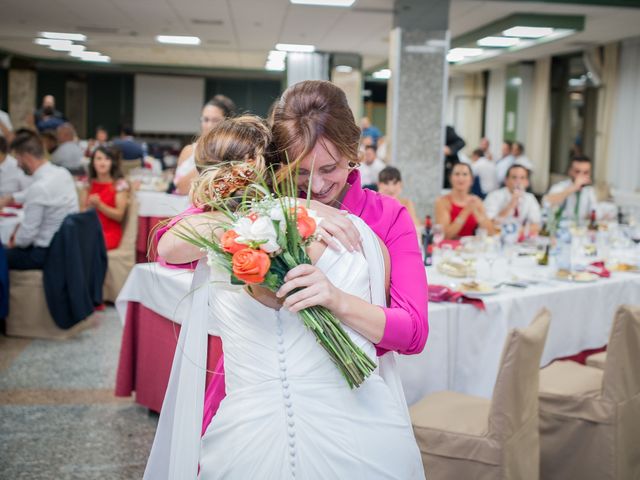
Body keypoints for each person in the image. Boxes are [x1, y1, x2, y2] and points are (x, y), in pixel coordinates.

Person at [145, 114, 425, 480]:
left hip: (349, 408)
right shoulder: (240, 227)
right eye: (302, 172)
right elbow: (170, 244)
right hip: (253, 407)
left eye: (330, 167)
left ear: (353, 156)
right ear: (276, 165)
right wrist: (287, 208)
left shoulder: (374, 225)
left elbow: (412, 332)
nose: (318, 185)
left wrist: (337, 300)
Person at [3, 131, 78, 269]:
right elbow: (34, 194)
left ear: (26, 157)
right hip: (67, 246)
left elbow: (25, 238)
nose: (18, 165)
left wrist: (12, 241)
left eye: (17, 159)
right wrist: (10, 199)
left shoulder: (39, 188)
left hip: (44, 253)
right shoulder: (62, 173)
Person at [173, 95, 236, 195]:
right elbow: (181, 189)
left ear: (227, 122)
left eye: (215, 120)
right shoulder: (189, 150)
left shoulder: (234, 151)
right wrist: (207, 160)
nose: (209, 125)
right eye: (206, 119)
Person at [79, 146, 129, 250]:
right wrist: (89, 207)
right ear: (93, 162)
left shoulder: (119, 184)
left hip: (109, 233)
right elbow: (81, 212)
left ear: (112, 162)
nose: (102, 163)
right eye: (99, 158)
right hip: (88, 230)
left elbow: (119, 215)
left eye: (107, 159)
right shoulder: (87, 184)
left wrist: (99, 205)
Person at [435, 162, 495, 239]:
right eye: (457, 174)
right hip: (449, 248)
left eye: (465, 174)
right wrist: (465, 212)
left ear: (471, 180)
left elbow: (491, 232)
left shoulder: (476, 201)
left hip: (471, 247)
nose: (461, 178)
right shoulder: (442, 201)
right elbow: (445, 236)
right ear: (450, 178)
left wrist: (477, 214)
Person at [484, 164, 541, 236]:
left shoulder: (530, 198)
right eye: (514, 177)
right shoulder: (494, 196)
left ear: (527, 182)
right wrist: (511, 205)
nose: (518, 181)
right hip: (496, 238)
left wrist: (514, 232)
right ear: (506, 180)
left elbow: (536, 225)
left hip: (518, 241)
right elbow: (488, 223)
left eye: (522, 178)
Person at [544, 155, 597, 223]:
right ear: (570, 171)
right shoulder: (560, 187)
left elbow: (594, 212)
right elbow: (547, 202)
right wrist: (573, 187)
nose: (581, 176)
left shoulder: (590, 190)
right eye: (577, 171)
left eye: (586, 172)